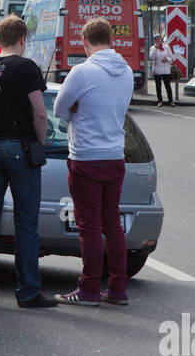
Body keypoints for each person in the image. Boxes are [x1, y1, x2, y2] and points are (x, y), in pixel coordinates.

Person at [0, 15, 57, 309]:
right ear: (22, 40)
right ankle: (28, 293)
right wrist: (37, 143)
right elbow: (40, 112)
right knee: (26, 225)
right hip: (21, 150)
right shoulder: (28, 67)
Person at [52, 18, 136, 307]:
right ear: (111, 40)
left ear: (85, 43)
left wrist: (77, 108)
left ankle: (88, 289)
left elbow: (59, 108)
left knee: (88, 226)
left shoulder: (82, 72)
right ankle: (117, 288)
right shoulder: (126, 72)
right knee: (112, 223)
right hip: (115, 156)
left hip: (86, 157)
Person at [149, 34, 176, 107]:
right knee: (158, 86)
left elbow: (172, 57)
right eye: (157, 39)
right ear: (154, 40)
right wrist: (155, 48)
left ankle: (171, 101)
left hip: (165, 69)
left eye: (159, 39)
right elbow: (151, 57)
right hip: (157, 69)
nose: (158, 41)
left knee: (167, 85)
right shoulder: (152, 48)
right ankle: (160, 101)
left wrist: (166, 59)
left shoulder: (166, 47)